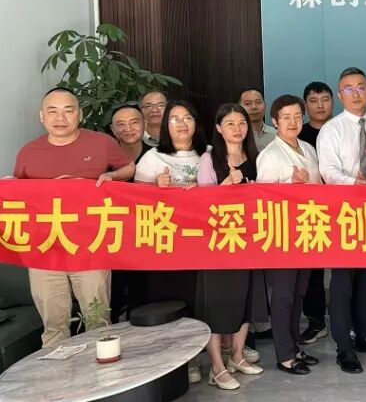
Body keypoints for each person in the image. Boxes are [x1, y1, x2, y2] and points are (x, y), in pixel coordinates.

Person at [13, 88, 134, 349]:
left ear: (79, 114)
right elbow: (17, 193)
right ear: (42, 116)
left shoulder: (101, 143)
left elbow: (128, 167)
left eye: (68, 110)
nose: (61, 118)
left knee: (98, 320)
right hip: (45, 248)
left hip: (91, 245)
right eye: (53, 111)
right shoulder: (28, 152)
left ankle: (103, 371)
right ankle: (57, 372)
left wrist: (112, 176)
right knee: (54, 326)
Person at [316, 67, 366, 373]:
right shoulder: (331, 129)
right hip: (345, 213)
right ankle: (344, 347)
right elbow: (327, 170)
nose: (355, 93)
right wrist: (354, 183)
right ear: (340, 95)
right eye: (348, 89)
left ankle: (365, 335)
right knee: (342, 282)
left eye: (361, 87)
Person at [134, 99, 209, 383]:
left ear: (196, 124)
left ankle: (198, 356)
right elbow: (134, 203)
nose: (182, 124)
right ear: (166, 126)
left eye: (187, 118)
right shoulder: (152, 158)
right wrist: (156, 189)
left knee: (199, 299)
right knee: (170, 302)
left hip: (202, 242)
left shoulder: (208, 155)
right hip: (166, 244)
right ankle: (176, 360)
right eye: (175, 119)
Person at [195, 104, 266, 390]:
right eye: (230, 123)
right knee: (216, 304)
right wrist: (226, 183)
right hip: (219, 243)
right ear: (219, 128)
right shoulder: (209, 159)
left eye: (242, 123)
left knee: (246, 298)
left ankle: (237, 355)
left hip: (250, 240)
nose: (238, 129)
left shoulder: (256, 158)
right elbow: (201, 204)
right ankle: (216, 367)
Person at [256, 94, 322, 375]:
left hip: (307, 230)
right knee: (283, 295)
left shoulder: (308, 148)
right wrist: (292, 185)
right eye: (286, 117)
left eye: (297, 116)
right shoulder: (270, 155)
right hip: (282, 234)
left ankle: (295, 346)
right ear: (275, 121)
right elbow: (264, 199)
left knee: (298, 292)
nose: (293, 122)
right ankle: (284, 354)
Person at [106, 102, 151, 322]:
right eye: (121, 124)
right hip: (111, 236)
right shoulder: (101, 158)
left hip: (147, 236)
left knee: (144, 299)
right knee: (111, 297)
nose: (128, 129)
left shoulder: (158, 156)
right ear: (112, 130)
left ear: (144, 124)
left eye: (134, 122)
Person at [298, 80, 333, 346]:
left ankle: (351, 322)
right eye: (313, 100)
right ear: (305, 105)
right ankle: (316, 321)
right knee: (312, 270)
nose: (320, 105)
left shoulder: (341, 128)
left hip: (343, 207)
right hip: (311, 210)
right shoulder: (299, 135)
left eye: (325, 99)